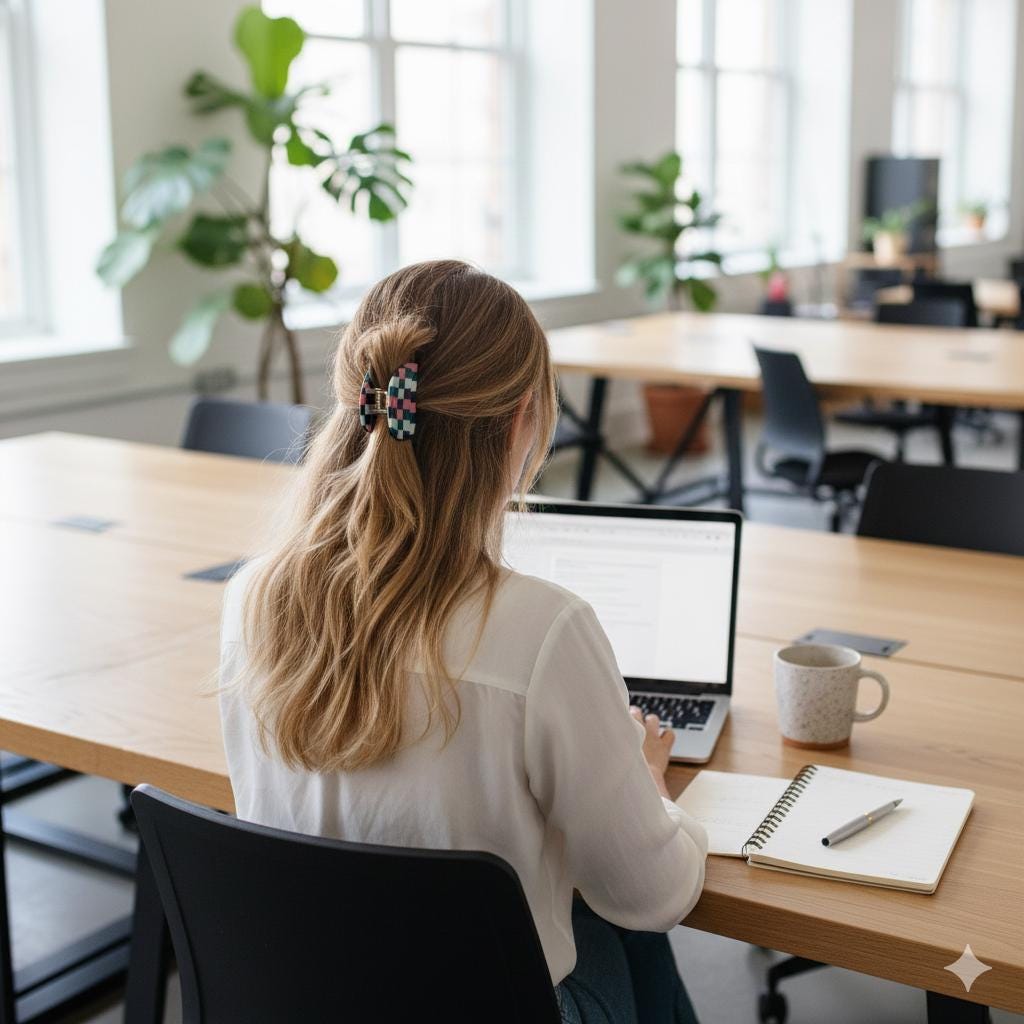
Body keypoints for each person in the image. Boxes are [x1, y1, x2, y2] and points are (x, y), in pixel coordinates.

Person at [219, 259, 708, 1023]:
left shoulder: (252, 598)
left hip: (311, 997)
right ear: (522, 419)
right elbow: (656, 896)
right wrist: (645, 787)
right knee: (628, 917)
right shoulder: (544, 629)